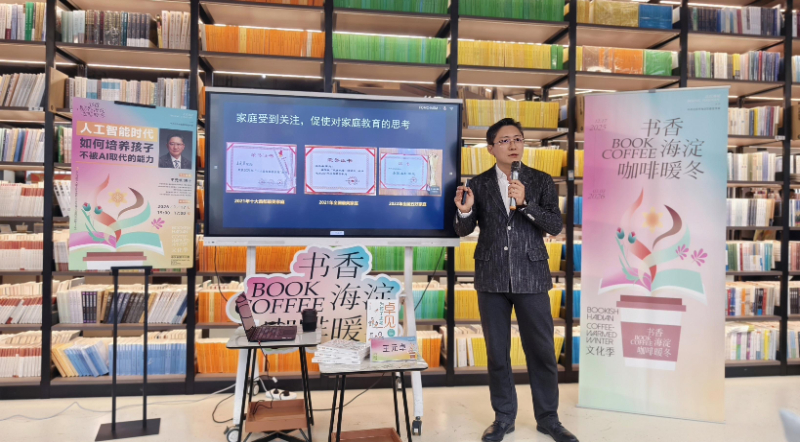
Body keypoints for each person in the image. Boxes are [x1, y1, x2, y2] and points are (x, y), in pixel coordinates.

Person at [454, 118, 578, 442]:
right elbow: (463, 230)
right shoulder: (478, 183)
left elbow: (554, 226)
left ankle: (548, 419)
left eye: (518, 139)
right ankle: (504, 418)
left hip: (532, 276)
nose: (513, 145)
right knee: (497, 353)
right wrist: (465, 211)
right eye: (505, 140)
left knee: (542, 351)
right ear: (490, 148)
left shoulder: (541, 180)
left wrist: (525, 204)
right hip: (491, 278)